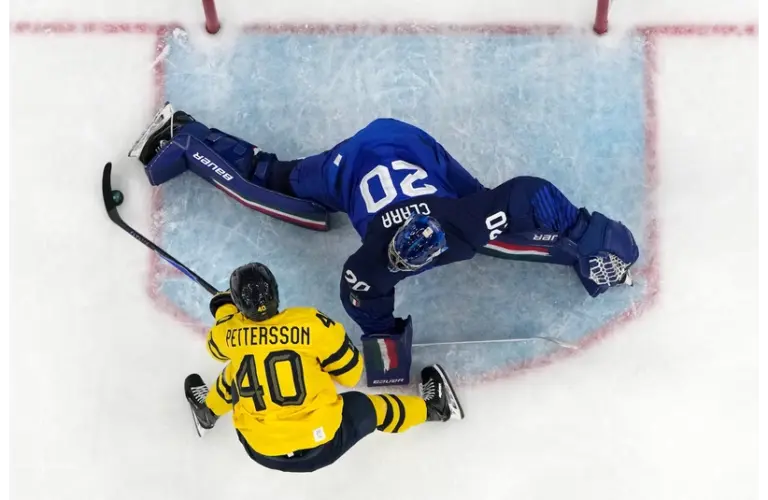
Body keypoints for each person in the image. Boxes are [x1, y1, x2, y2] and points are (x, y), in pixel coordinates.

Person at [131, 103, 639, 385]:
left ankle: (189, 135)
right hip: (351, 162)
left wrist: (590, 238)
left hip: (413, 148)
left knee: (490, 230)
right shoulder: (373, 263)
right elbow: (357, 292)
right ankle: (187, 137)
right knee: (278, 186)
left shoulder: (461, 223)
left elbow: (531, 196)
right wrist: (386, 341)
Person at [184, 262, 464, 473]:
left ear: (238, 305)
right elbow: (352, 375)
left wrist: (224, 309)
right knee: (366, 406)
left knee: (238, 369)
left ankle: (207, 414)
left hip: (260, 450)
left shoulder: (227, 333)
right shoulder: (310, 322)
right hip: (322, 444)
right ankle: (435, 409)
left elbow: (217, 344)